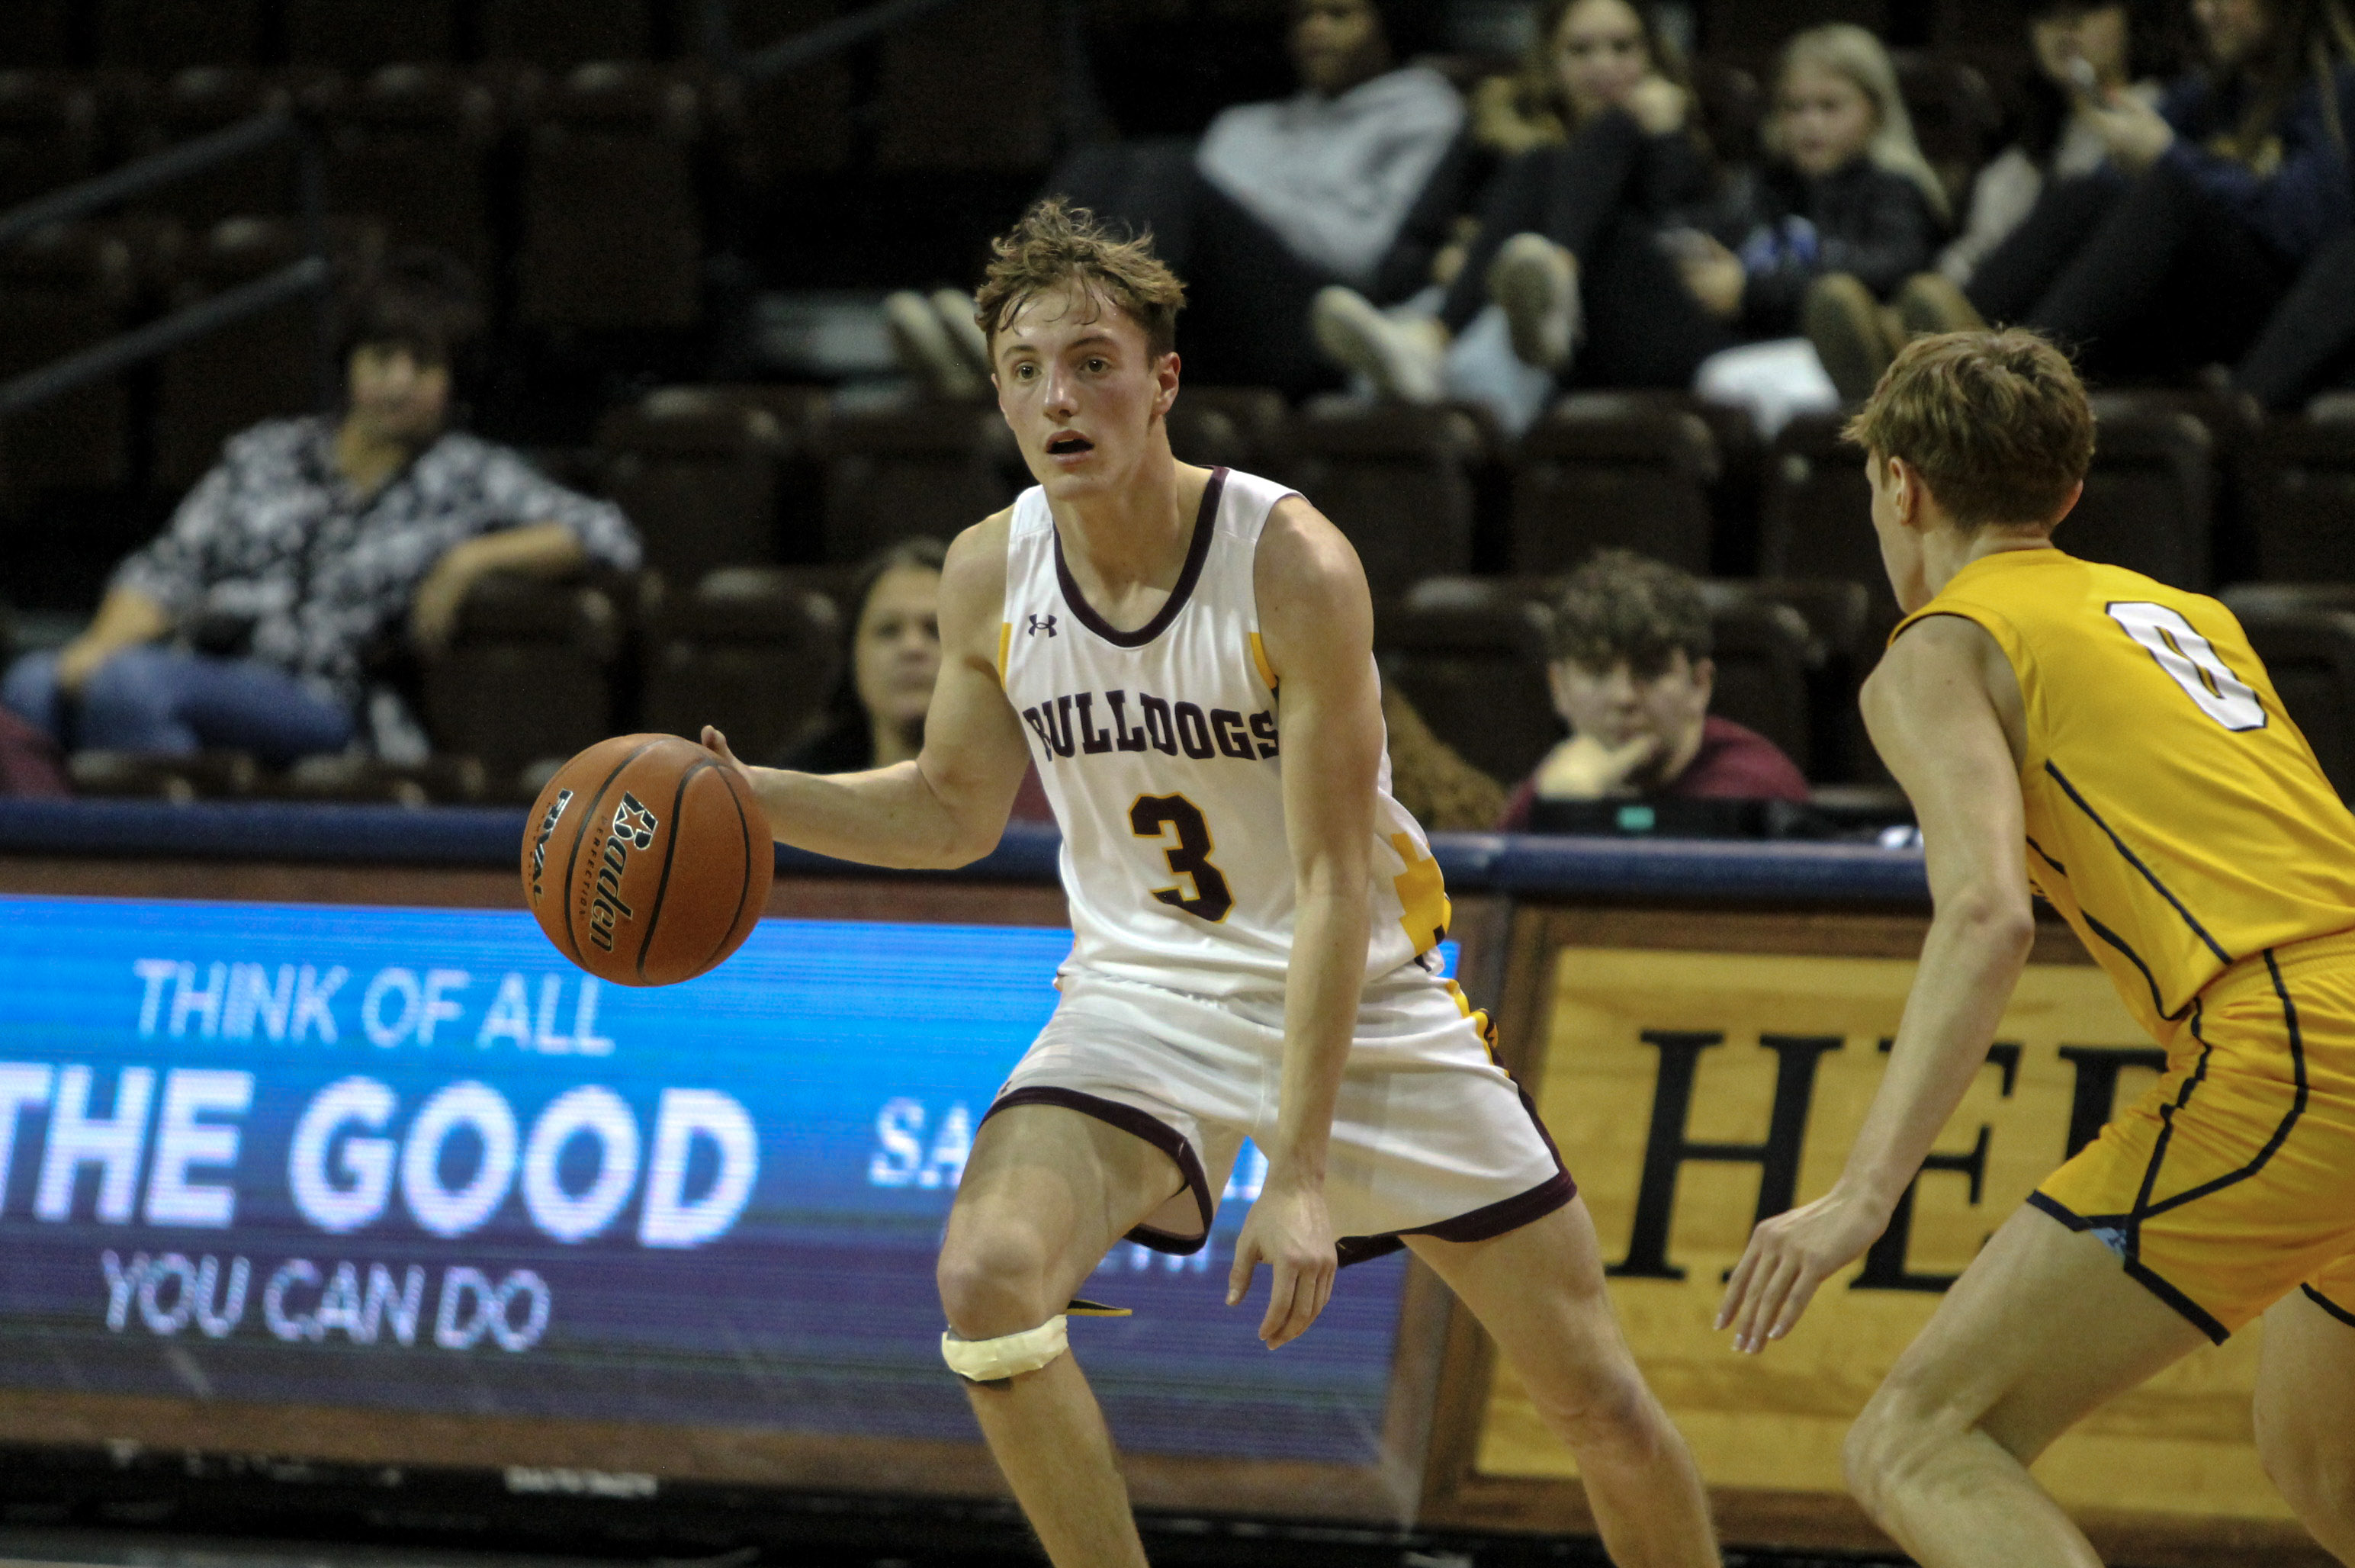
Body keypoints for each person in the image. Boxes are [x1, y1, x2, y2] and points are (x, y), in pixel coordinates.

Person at [701, 200, 1720, 1568]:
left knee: (1591, 1400)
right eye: (1023, 369)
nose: (1056, 397)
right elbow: (950, 813)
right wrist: (745, 800)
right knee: (986, 1282)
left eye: (1091, 363)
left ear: (1161, 382)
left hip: (1350, 997)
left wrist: (1295, 1173)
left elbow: (1326, 880)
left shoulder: (1288, 561)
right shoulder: (986, 569)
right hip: (1137, 997)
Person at [1714, 329, 2355, 1565]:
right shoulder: (2186, 616)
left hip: (2297, 1050)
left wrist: (1858, 1198)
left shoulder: (1943, 644)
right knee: (2321, 1461)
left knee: (1915, 1440)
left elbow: (1983, 913)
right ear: (2063, 493)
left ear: (1898, 484)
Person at [0, 251, 639, 766]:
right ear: (350, 366)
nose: (399, 382)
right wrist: (98, 647)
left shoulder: (465, 474)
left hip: (315, 697)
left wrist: (472, 559)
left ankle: (183, 874)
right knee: (32, 682)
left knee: (130, 687)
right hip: (198, 663)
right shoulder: (265, 454)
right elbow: (167, 568)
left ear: (451, 381)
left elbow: (607, 533)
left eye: (423, 364)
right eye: (382, 358)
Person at [892, 0, 1466, 403]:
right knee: (1105, 161)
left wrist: (1243, 199)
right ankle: (1008, 325)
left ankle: (1065, 338)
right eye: (1303, 16)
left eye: (1339, 14)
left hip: (1315, 319)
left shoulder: (1423, 109)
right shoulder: (1248, 123)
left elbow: (1361, 251)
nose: (1316, 29)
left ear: (1388, 21)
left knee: (1173, 172)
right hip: (1207, 313)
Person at [1818, 0, 2355, 400]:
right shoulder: (2211, 93)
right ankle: (1935, 347)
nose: (2205, 11)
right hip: (2185, 320)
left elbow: (2304, 225)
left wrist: (2171, 157)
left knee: (2169, 191)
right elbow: (2109, 214)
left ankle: (2014, 380)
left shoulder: (2339, 88)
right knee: (2092, 191)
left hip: (2282, 323)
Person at [1311, 0, 1720, 410]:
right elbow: (1399, 262)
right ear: (1550, 59)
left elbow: (1692, 244)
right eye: (1581, 51)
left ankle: (1530, 299)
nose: (1604, 66)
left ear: (1652, 55)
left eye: (1623, 48)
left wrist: (1668, 139)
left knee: (1611, 129)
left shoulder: (1681, 141)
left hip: (1638, 331)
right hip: (1525, 335)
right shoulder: (1503, 138)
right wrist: (1447, 261)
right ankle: (1440, 340)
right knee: (1542, 163)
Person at [1497, 551, 1810, 831]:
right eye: (1598, 672)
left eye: (1650, 671)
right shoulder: (1560, 782)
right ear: (1559, 688)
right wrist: (1561, 803)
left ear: (1700, 685)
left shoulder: (1752, 792)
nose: (1624, 698)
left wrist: (1574, 814)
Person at [789, 538, 1055, 822]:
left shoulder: (1050, 798)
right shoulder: (800, 794)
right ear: (851, 656)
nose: (912, 648)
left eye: (935, 629)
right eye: (888, 631)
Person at [1933, 2, 2173, 291]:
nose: (2065, 29)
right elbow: (1976, 250)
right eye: (2048, 14)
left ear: (2130, 18)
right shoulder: (2033, 134)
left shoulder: (2165, 114)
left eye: (2085, 9)